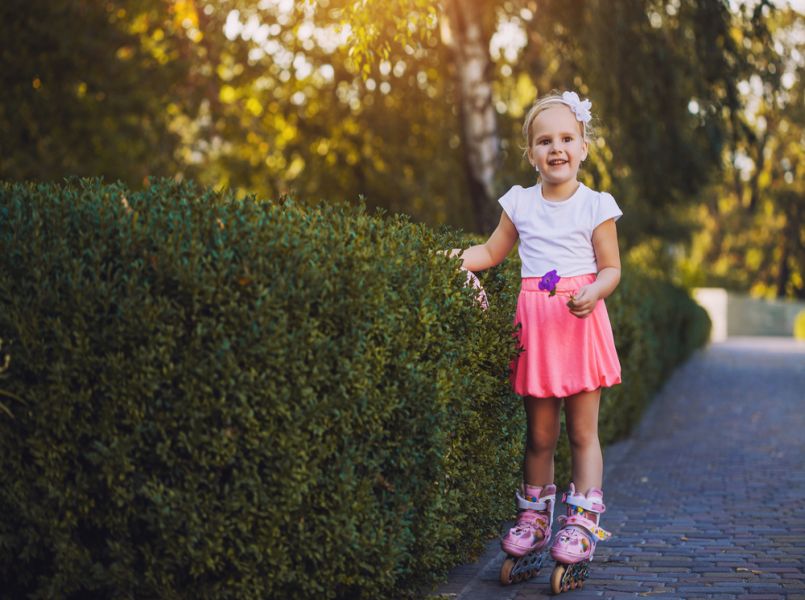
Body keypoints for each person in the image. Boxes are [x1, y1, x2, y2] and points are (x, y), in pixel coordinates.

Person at [449, 91, 621, 590]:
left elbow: (611, 268)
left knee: (582, 433)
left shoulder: (596, 205)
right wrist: (449, 257)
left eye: (567, 138)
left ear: (584, 147)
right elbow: (489, 251)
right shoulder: (519, 202)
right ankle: (535, 519)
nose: (557, 148)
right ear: (531, 154)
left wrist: (593, 290)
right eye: (545, 141)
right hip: (538, 333)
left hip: (581, 325)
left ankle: (583, 522)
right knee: (540, 436)